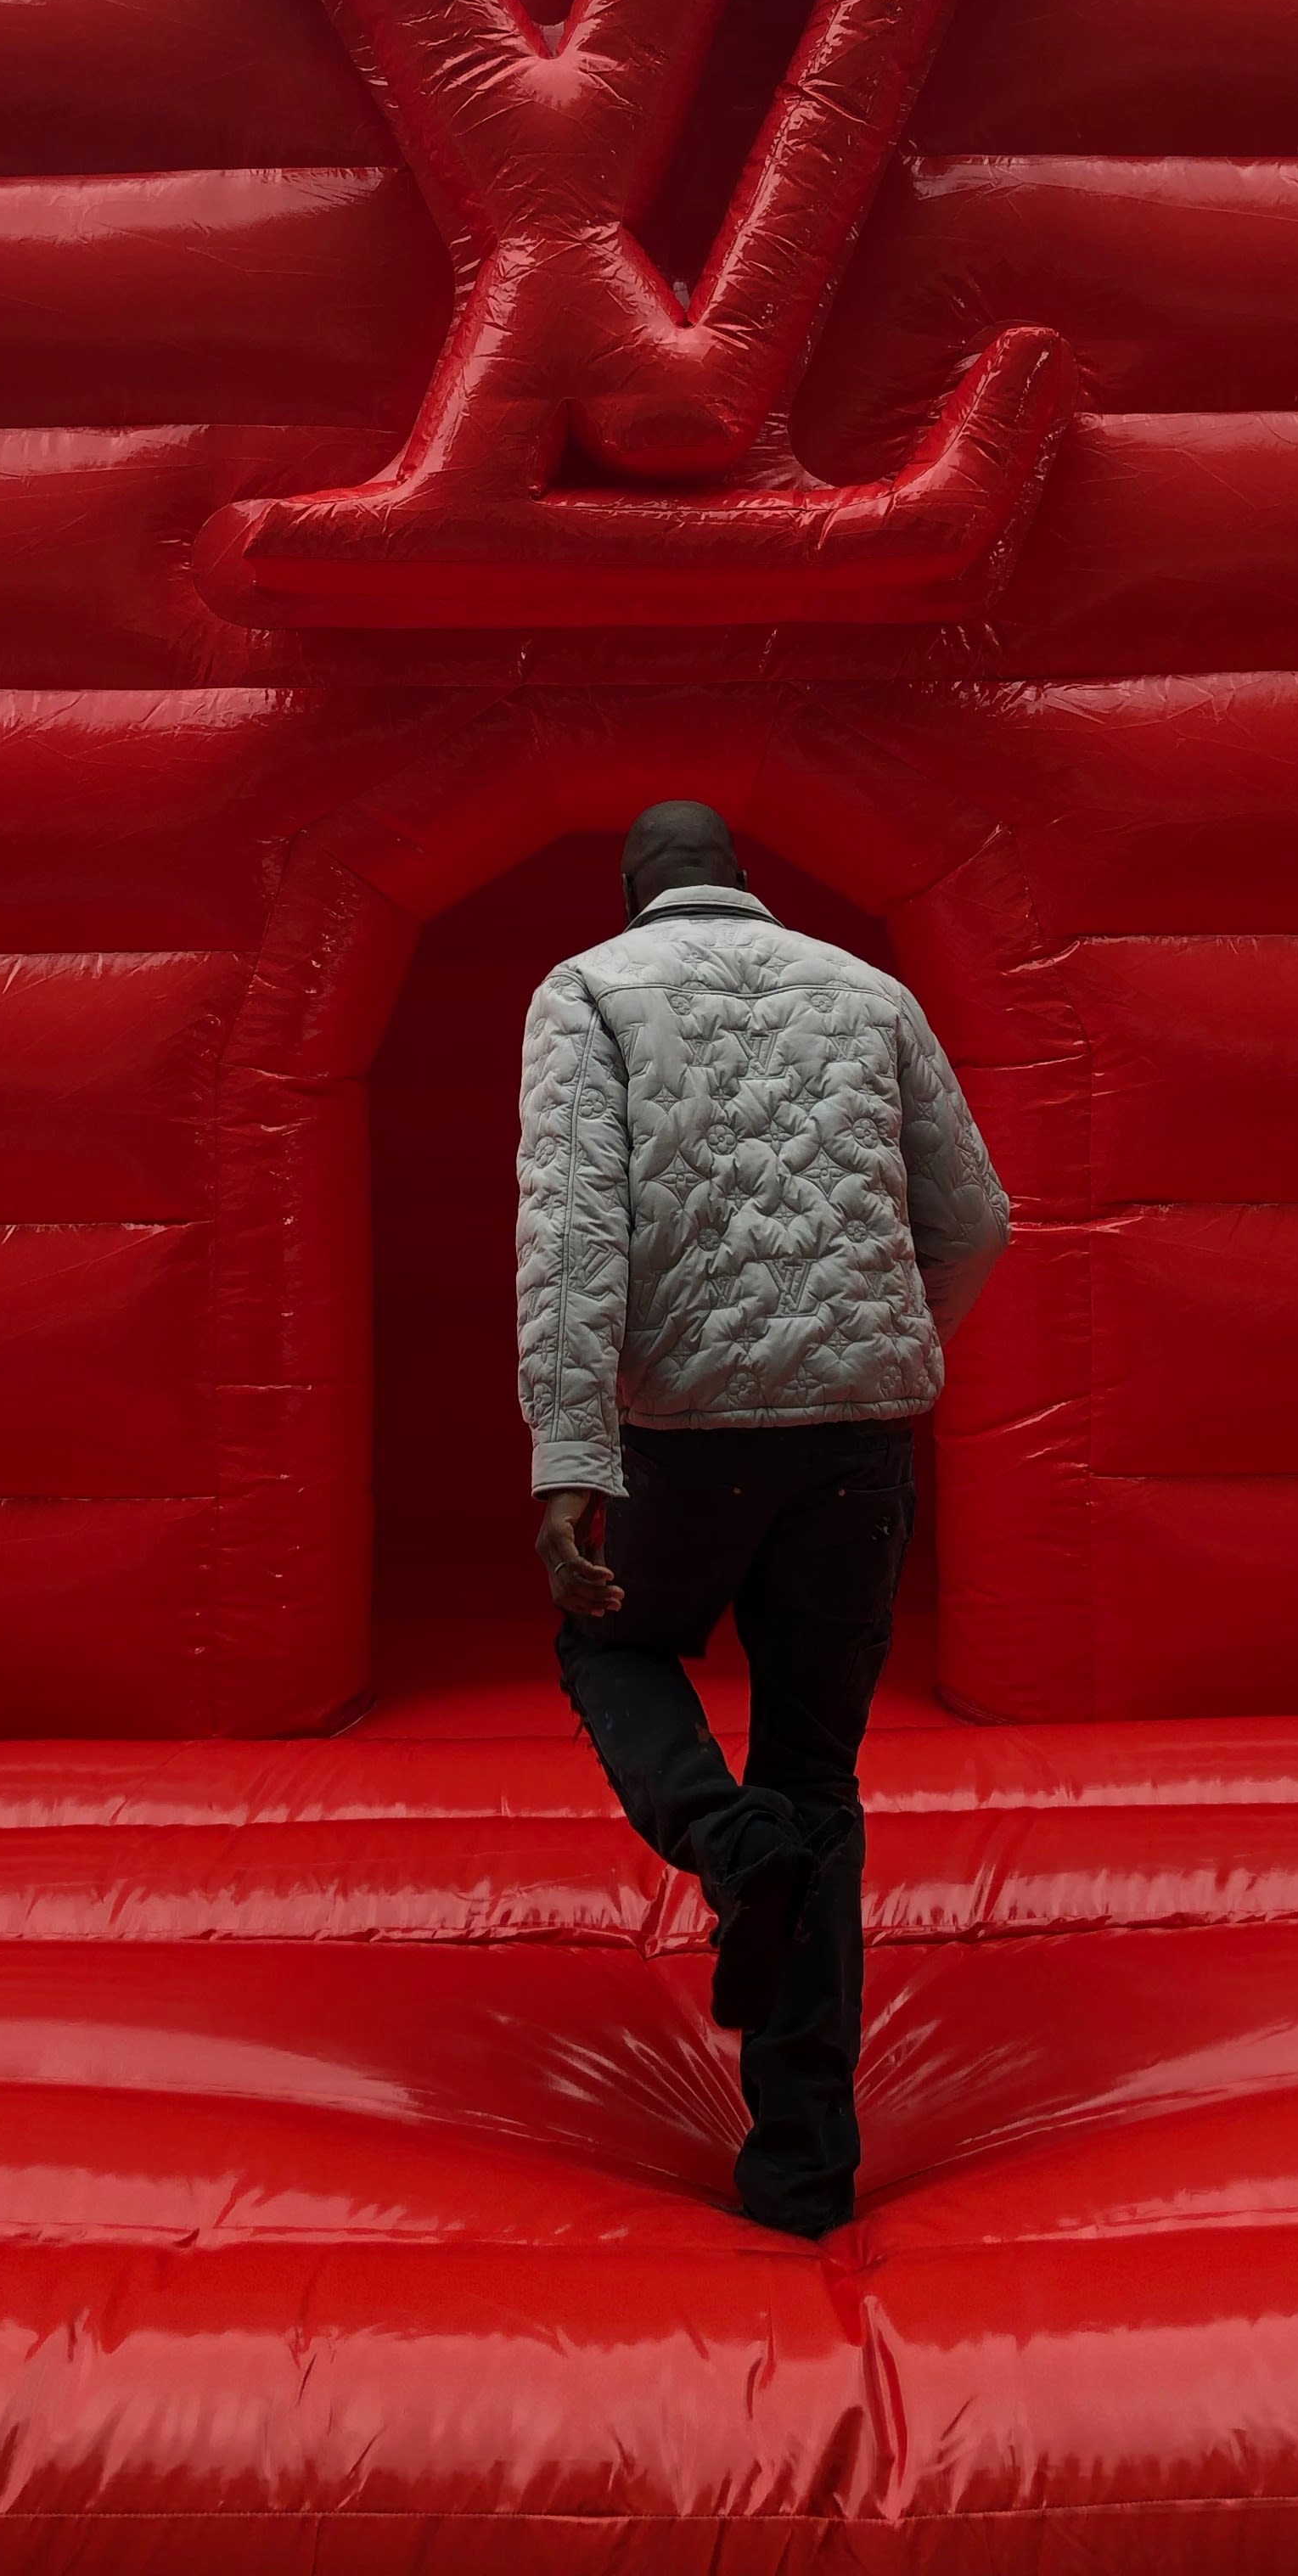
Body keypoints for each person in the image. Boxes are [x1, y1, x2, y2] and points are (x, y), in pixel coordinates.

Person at [515, 799, 1009, 2236]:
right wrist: (883, 1345)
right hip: (859, 1442)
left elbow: (571, 1234)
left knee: (610, 1647)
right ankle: (801, 2165)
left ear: (635, 894)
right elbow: (975, 1219)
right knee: (819, 1771)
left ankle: (730, 1851)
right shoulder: (871, 991)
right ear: (747, 887)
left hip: (689, 1441)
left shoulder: (590, 992)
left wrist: (570, 1457)